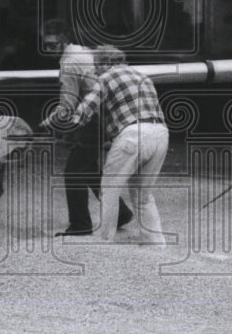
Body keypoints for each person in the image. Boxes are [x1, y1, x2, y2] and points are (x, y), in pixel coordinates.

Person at [38, 20, 133, 237]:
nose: (49, 49)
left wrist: (44, 125)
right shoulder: (83, 52)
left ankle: (80, 224)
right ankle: (121, 213)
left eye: (52, 44)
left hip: (95, 118)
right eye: (46, 44)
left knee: (73, 173)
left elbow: (67, 105)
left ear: (64, 42)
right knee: (88, 170)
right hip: (108, 115)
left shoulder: (70, 63)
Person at [70, 46, 169, 244]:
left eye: (96, 66)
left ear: (106, 63)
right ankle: (155, 242)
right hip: (161, 134)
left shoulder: (107, 77)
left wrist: (63, 123)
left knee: (109, 189)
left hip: (133, 134)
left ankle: (104, 239)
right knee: (143, 195)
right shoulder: (143, 76)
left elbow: (85, 110)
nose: (95, 71)